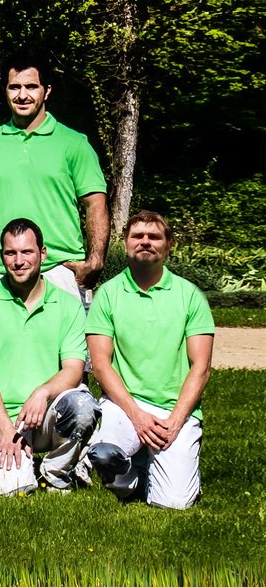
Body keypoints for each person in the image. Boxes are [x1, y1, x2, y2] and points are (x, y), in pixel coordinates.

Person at [87, 210, 214, 511]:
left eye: (154, 237)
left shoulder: (190, 296)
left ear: (169, 245)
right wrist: (137, 415)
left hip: (175, 410)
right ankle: (131, 481)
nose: (145, 242)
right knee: (103, 453)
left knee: (173, 503)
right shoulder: (107, 294)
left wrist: (175, 421)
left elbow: (201, 367)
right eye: (137, 236)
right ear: (126, 243)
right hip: (124, 405)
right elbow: (101, 365)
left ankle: (153, 468)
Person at [0, 49, 109, 299]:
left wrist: (95, 261)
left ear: (46, 90)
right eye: (14, 87)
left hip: (59, 272)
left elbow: (96, 203)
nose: (22, 95)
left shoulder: (74, 144)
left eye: (31, 86)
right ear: (5, 90)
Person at [0, 218, 98, 497]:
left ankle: (56, 472)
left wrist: (43, 392)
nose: (18, 261)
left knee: (83, 405)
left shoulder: (68, 305)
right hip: (0, 417)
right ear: (1, 256)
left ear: (43, 253)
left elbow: (74, 369)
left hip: (49, 413)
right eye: (10, 253)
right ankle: (5, 459)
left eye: (27, 252)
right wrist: (4, 427)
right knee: (10, 491)